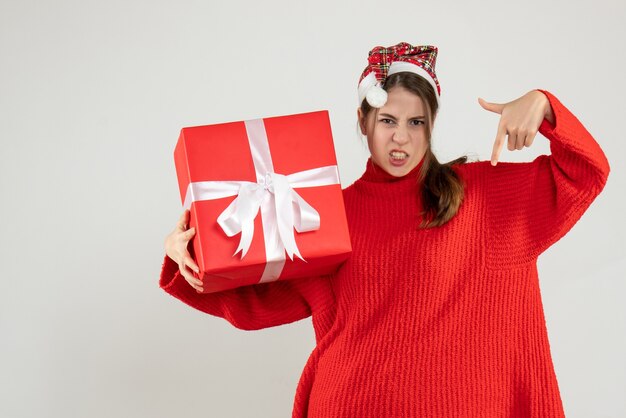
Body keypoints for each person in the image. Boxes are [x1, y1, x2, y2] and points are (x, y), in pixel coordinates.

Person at [160, 42, 610, 417]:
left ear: (432, 125)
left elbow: (586, 173)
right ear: (363, 122)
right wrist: (190, 255)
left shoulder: (486, 197)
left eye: (416, 122)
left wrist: (543, 104)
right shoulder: (321, 213)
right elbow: (254, 300)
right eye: (387, 121)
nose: (401, 138)